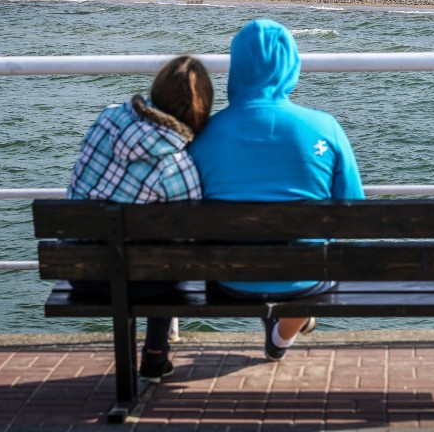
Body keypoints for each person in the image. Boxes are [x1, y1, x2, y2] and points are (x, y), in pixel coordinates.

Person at [188, 19, 364, 362]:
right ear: (291, 65)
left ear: (236, 66)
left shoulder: (203, 134)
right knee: (302, 267)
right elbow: (354, 211)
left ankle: (281, 327)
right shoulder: (324, 127)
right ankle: (282, 336)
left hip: (226, 279)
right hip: (307, 279)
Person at [68, 55, 214, 381]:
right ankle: (155, 355)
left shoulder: (107, 119)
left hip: (80, 270)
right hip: (142, 283)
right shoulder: (177, 166)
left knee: (139, 249)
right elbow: (190, 238)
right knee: (166, 257)